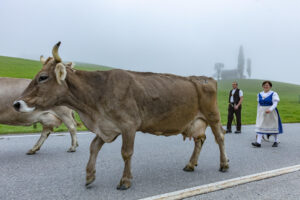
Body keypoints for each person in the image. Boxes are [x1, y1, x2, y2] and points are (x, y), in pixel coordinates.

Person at [252, 81, 283, 148]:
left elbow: (275, 103)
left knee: (273, 126)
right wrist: (258, 112)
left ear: (270, 86)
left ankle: (276, 141)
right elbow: (259, 104)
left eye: (267, 85)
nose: (266, 86)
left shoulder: (274, 93)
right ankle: (258, 142)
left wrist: (270, 109)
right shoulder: (259, 94)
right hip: (262, 111)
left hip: (271, 112)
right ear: (262, 86)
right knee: (260, 126)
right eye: (264, 85)